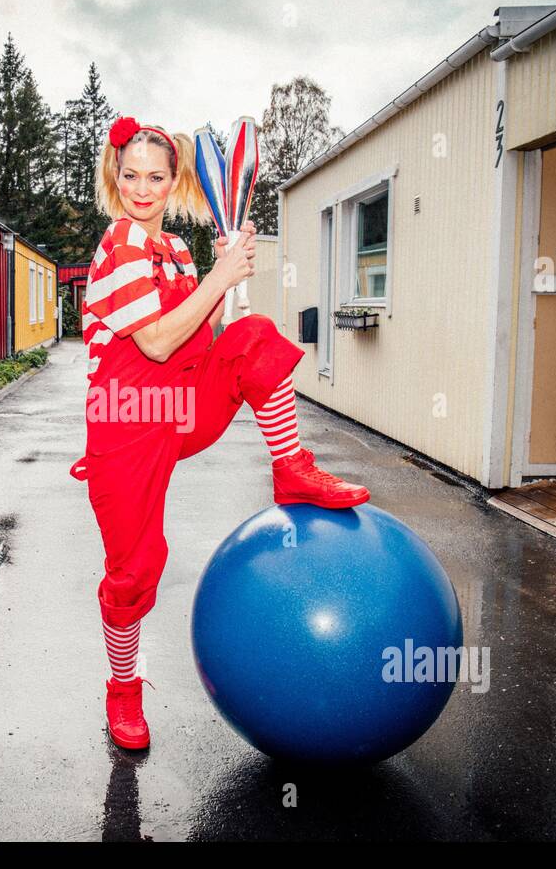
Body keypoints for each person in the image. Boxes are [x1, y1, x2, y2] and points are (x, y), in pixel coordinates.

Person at [68, 115, 370, 750]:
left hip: (178, 408)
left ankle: (291, 468)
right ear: (114, 177)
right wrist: (220, 276)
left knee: (254, 338)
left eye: (156, 176)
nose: (142, 189)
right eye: (131, 176)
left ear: (175, 180)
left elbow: (205, 334)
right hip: (126, 423)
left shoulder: (176, 249)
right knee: (136, 568)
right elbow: (153, 342)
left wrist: (233, 280)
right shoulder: (120, 242)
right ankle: (123, 688)